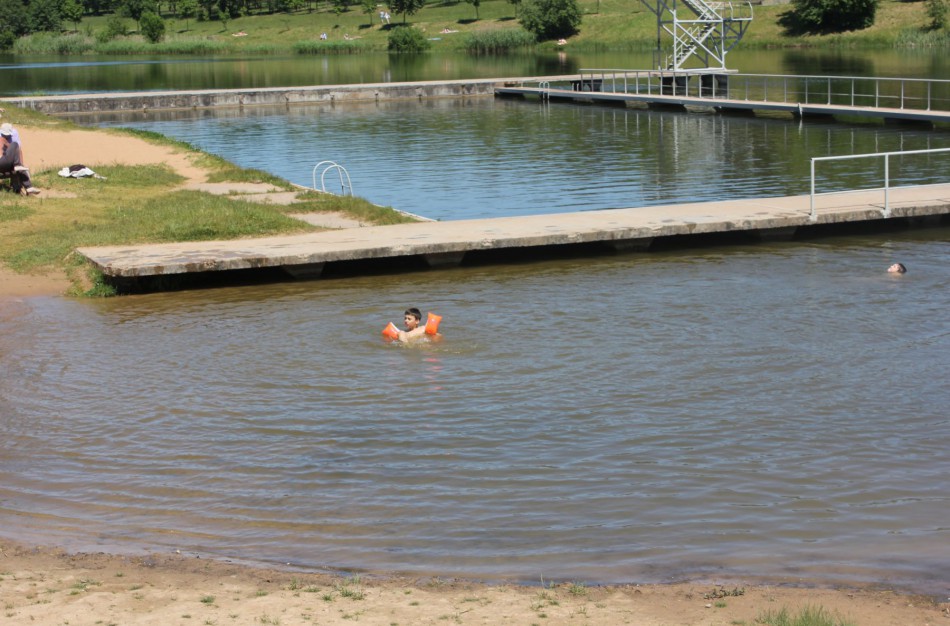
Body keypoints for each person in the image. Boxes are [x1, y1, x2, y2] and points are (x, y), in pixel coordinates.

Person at [0, 126, 39, 195]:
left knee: (19, 169)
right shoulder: (2, 140)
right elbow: (13, 149)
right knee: (15, 144)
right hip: (1, 163)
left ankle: (29, 188)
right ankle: (18, 165)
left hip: (3, 166)